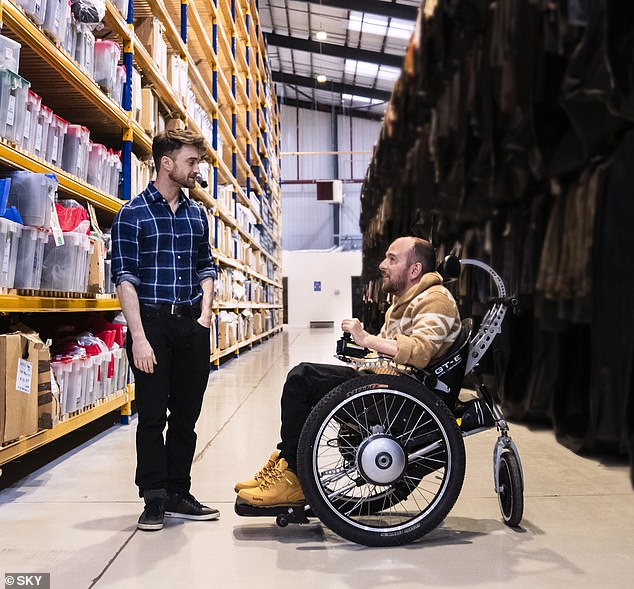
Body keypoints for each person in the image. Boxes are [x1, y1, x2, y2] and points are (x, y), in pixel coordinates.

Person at [234, 236, 464, 507]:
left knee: (302, 379)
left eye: (392, 259)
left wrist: (367, 339)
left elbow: (421, 351)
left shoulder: (435, 300)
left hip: (400, 400)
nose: (382, 265)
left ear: (415, 270)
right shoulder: (406, 300)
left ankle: (293, 476)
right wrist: (363, 354)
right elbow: (392, 351)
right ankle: (287, 462)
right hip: (389, 388)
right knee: (305, 377)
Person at [111, 129, 220, 531]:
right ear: (166, 163)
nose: (197, 170)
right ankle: (154, 497)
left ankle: (179, 491)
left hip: (192, 324)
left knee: (186, 416)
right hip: (152, 325)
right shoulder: (132, 214)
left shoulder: (197, 214)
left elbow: (206, 266)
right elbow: (125, 279)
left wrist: (205, 315)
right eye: (192, 162)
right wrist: (138, 336)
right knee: (153, 416)